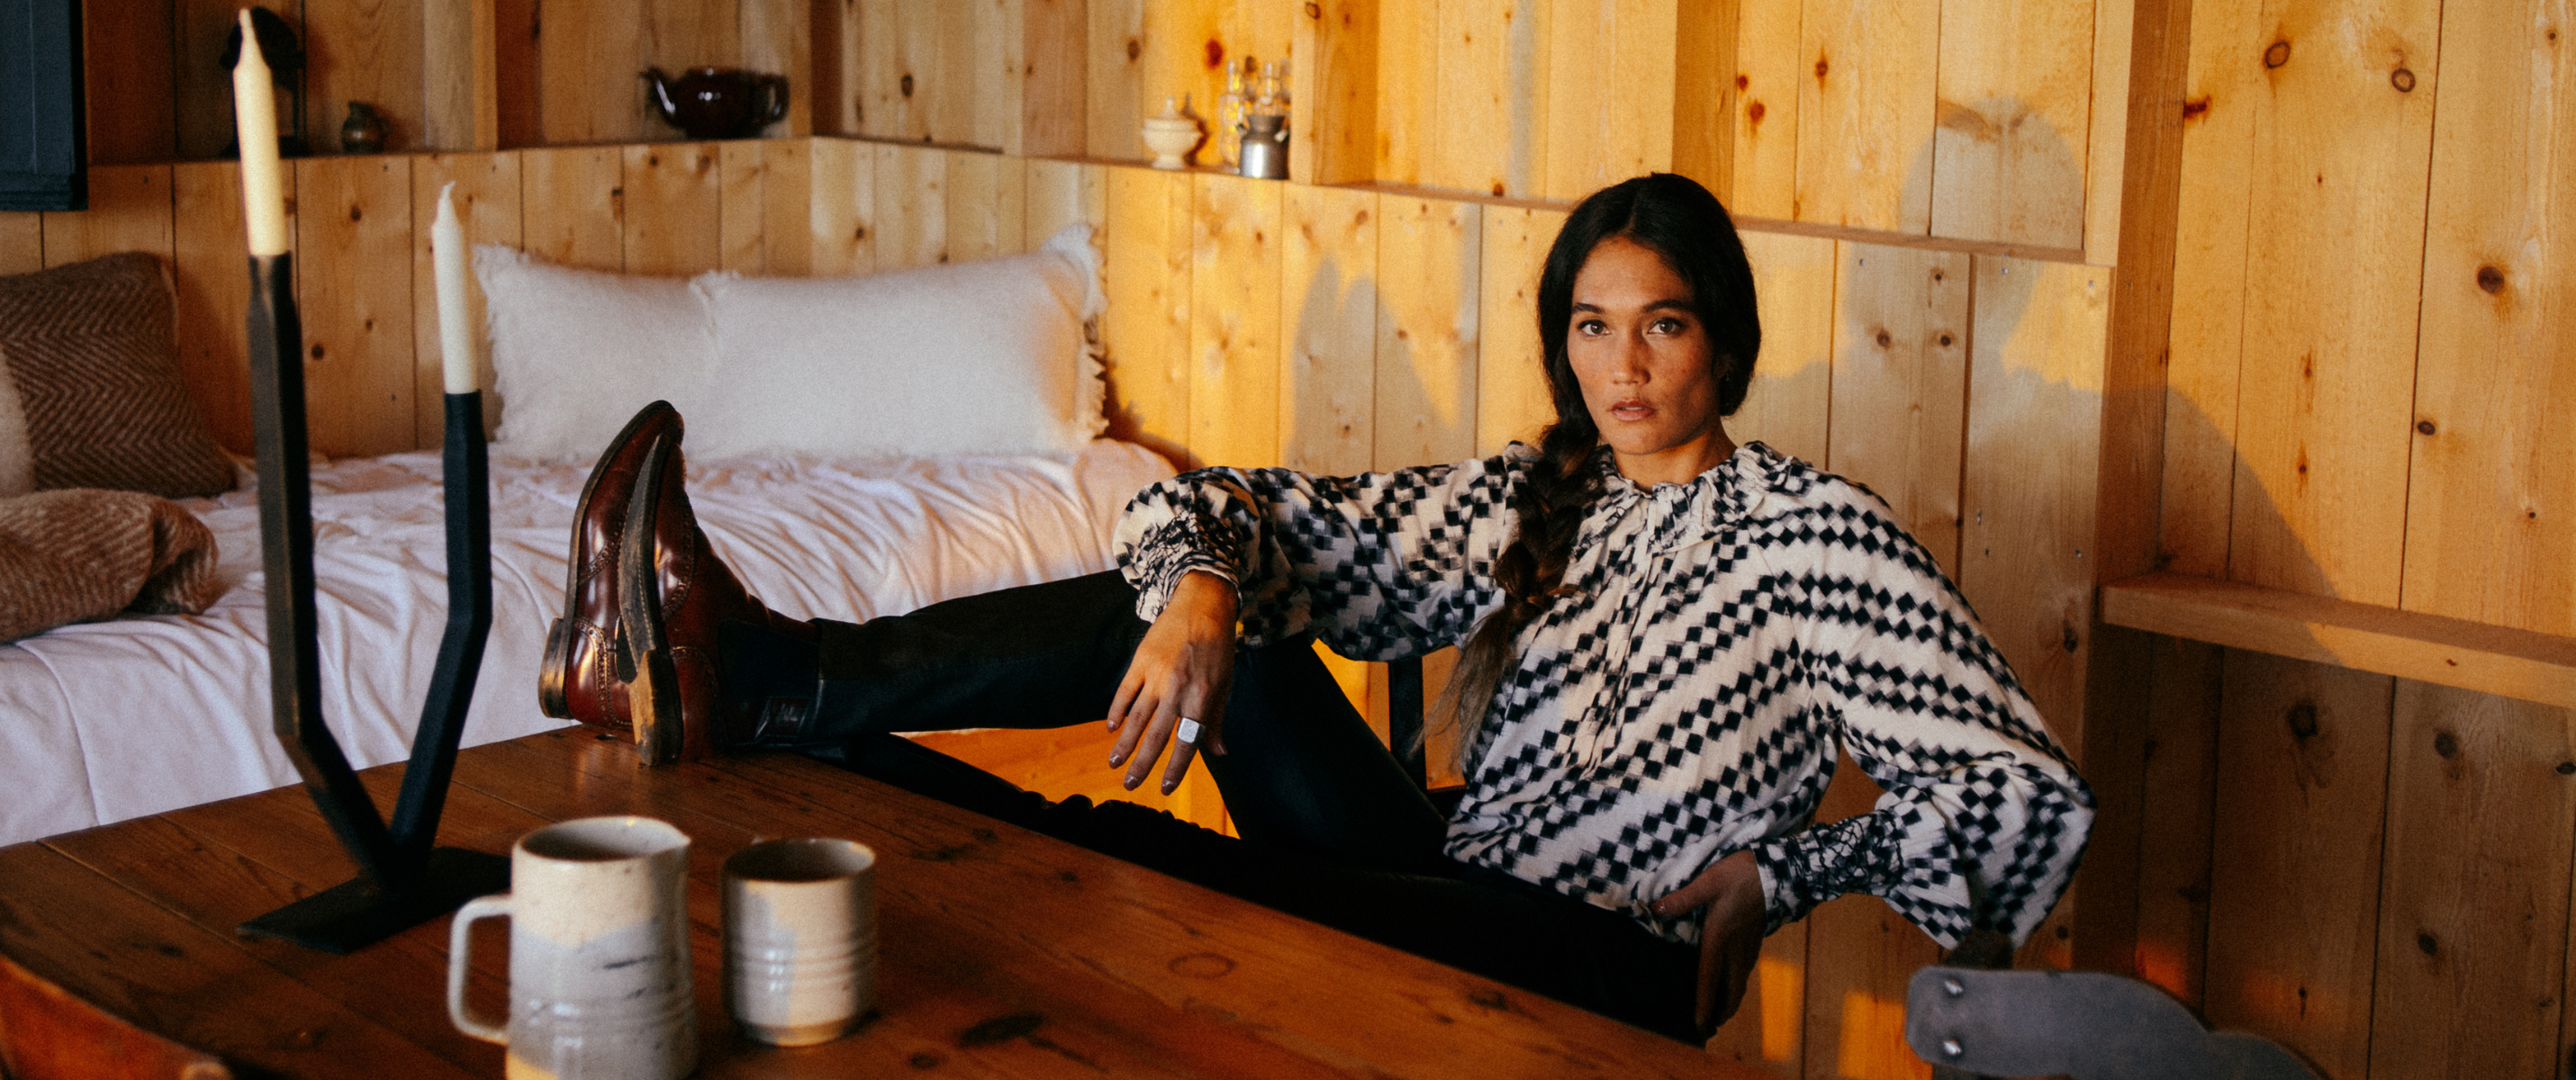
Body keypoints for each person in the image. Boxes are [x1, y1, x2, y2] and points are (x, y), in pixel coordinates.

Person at [538, 173, 2093, 1046]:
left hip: (1609, 956)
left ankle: (783, 725)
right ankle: (771, 685)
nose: (1621, 368)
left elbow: (2028, 801)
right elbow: (1243, 507)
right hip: (1443, 871)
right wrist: (1204, 593)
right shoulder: (1541, 493)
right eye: (1590, 327)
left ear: (1723, 343)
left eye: (1662, 326)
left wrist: (1785, 870)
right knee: (1184, 605)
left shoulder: (1820, 538)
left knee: (1172, 868)